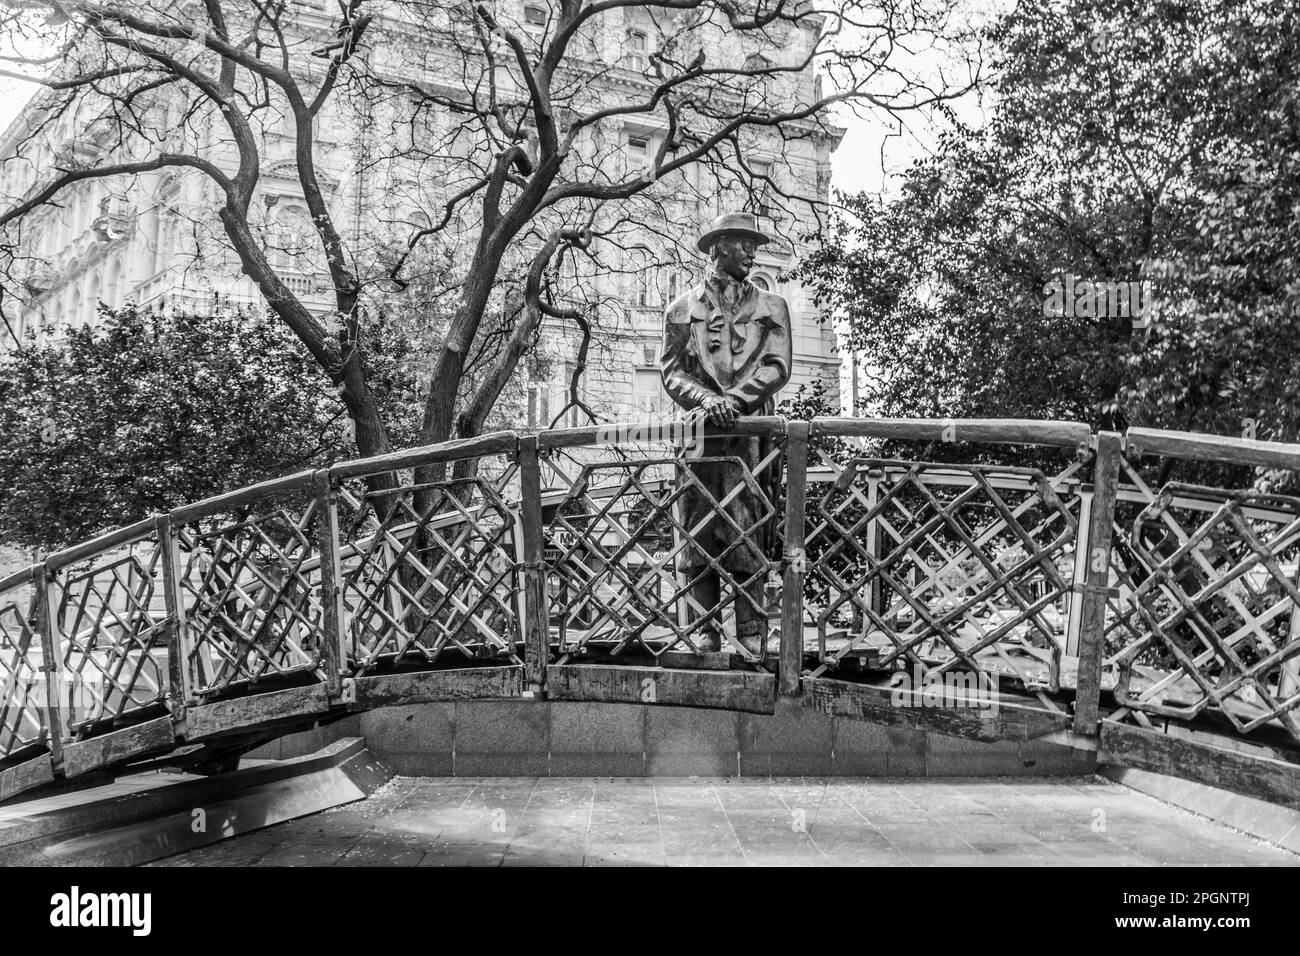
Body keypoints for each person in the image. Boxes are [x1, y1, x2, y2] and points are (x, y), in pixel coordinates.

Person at [660, 212, 792, 655]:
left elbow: (777, 365)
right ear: (718, 247)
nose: (752, 252)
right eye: (742, 243)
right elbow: (672, 371)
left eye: (753, 244)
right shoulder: (681, 310)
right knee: (698, 530)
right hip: (700, 437)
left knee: (749, 527)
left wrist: (736, 400)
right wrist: (705, 400)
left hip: (750, 435)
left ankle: (754, 633)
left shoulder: (772, 307)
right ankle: (705, 630)